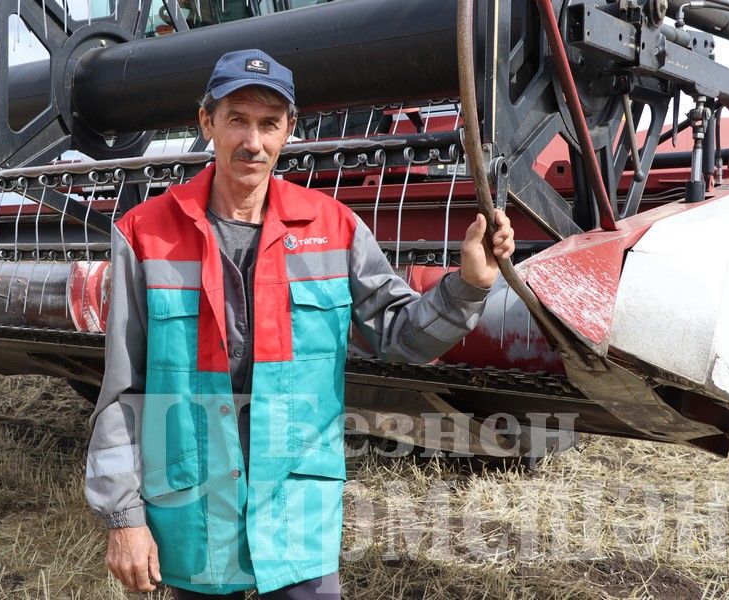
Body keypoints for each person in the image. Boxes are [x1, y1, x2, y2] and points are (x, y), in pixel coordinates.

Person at [85, 49, 515, 599]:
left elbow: (401, 334)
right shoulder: (146, 234)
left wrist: (468, 285)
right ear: (206, 122)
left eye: (268, 124)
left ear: (289, 129)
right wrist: (125, 518)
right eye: (236, 119)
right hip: (194, 511)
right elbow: (124, 391)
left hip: (296, 515)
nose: (253, 142)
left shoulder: (333, 228)